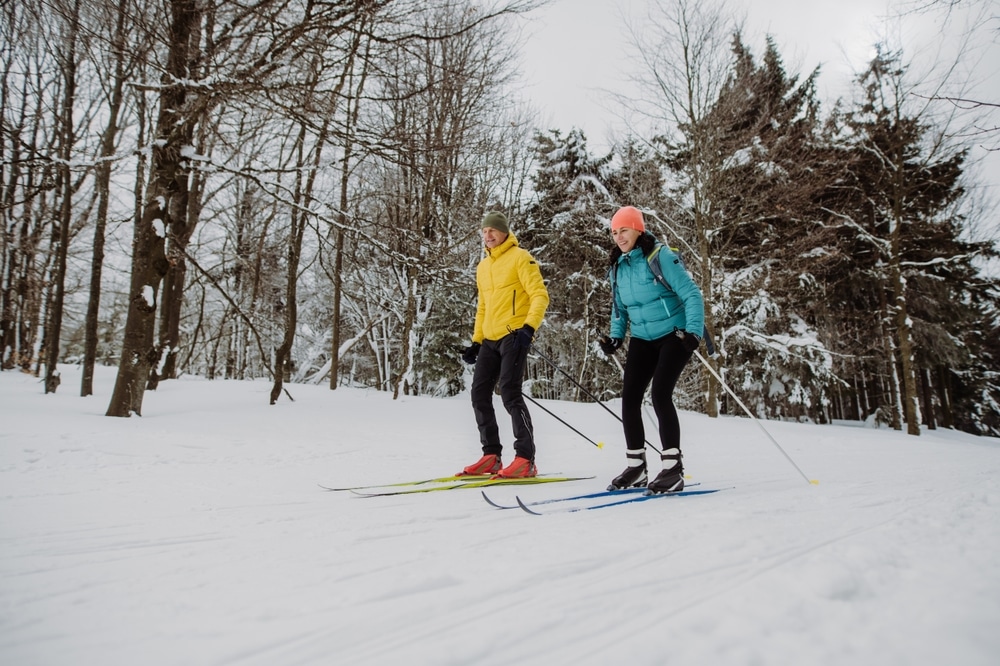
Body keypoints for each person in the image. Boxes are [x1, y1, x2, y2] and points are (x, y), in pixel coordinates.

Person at [599, 206, 705, 494]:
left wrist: (694, 331)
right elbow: (620, 308)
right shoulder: (618, 266)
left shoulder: (660, 257)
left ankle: (673, 469)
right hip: (643, 338)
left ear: (638, 229)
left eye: (624, 230)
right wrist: (616, 338)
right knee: (630, 398)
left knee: (660, 393)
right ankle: (637, 467)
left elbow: (692, 294)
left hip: (675, 334)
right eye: (615, 232)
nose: (619, 236)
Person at [459, 211, 549, 478]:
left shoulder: (521, 258)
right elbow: (483, 307)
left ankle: (525, 458)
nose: (488, 236)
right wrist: (476, 342)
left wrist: (528, 328)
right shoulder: (483, 267)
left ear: (504, 232)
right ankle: (491, 455)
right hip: (489, 339)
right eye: (484, 231)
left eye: (493, 231)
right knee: (478, 394)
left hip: (514, 335)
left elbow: (540, 296)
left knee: (509, 392)